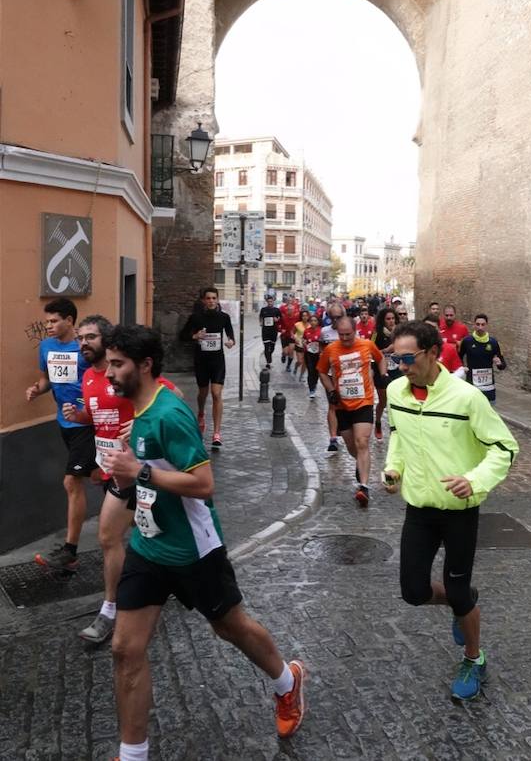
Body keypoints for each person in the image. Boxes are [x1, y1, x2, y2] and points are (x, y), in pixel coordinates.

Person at [102, 326, 305, 761]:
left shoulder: (169, 414)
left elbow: (203, 483)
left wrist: (138, 471)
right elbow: (147, 470)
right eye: (109, 362)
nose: (109, 372)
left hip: (194, 550)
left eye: (117, 364)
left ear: (144, 366)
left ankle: (286, 683)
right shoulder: (140, 411)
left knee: (229, 627)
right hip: (149, 547)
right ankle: (132, 754)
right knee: (124, 647)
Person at [382, 321, 518, 700]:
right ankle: (464, 599)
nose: (401, 366)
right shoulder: (396, 391)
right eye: (395, 359)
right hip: (419, 509)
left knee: (457, 592)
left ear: (432, 353)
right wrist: (394, 470)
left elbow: (505, 448)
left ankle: (474, 658)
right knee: (413, 591)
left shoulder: (466, 397)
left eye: (407, 358)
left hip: (459, 510)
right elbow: (398, 436)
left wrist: (474, 480)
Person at [62, 315, 181, 644]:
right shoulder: (88, 377)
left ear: (107, 339)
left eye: (91, 337)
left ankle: (111, 609)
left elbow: (170, 397)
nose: (84, 343)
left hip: (137, 467)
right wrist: (81, 416)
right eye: (80, 338)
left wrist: (141, 425)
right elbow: (98, 417)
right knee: (141, 529)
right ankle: (166, 577)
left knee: (108, 534)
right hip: (110, 466)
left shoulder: (125, 373)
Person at [26, 298, 96, 572]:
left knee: (72, 482)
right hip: (64, 423)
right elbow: (47, 379)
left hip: (86, 423)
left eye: (54, 321)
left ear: (69, 320)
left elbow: (99, 380)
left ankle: (70, 550)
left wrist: (85, 408)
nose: (49, 326)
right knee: (102, 477)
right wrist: (36, 389)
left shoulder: (84, 347)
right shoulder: (46, 346)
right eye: (46, 322)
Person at [318, 316, 386, 507]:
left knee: (362, 441)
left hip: (364, 402)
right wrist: (331, 390)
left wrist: (383, 374)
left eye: (348, 334)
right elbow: (322, 371)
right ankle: (360, 463)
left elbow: (380, 359)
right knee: (351, 447)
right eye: (341, 335)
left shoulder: (366, 345)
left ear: (355, 331)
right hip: (342, 405)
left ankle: (363, 487)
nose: (345, 338)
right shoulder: (331, 349)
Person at [180, 287, 235, 449]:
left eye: (214, 298)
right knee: (203, 393)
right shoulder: (196, 318)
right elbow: (182, 336)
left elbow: (230, 334)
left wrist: (231, 341)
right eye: (208, 298)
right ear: (203, 301)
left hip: (218, 361)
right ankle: (201, 413)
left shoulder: (224, 317)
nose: (211, 301)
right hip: (201, 360)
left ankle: (217, 433)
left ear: (217, 300)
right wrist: (195, 336)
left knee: (216, 393)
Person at [459, 314, 506, 403]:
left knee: (489, 412)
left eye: (483, 324)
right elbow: (458, 358)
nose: (480, 327)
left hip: (488, 387)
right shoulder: (467, 341)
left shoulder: (493, 343)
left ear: (486, 325)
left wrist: (499, 363)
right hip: (472, 385)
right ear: (474, 325)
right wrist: (462, 368)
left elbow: (503, 365)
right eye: (478, 324)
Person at [319, 302, 345, 454]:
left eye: (338, 317)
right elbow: (322, 350)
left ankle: (343, 428)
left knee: (347, 406)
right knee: (332, 405)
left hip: (347, 376)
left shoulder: (350, 330)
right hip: (330, 375)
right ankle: (333, 439)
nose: (335, 320)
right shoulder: (324, 331)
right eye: (332, 317)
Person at [372, 306, 400, 440]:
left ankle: (394, 427)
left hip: (397, 370)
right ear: (383, 321)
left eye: (393, 318)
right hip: (381, 370)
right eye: (388, 319)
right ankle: (377, 422)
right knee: (383, 401)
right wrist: (386, 350)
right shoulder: (377, 333)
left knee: (396, 400)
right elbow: (371, 350)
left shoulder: (400, 332)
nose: (391, 321)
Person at [302, 313, 322, 398]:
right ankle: (311, 389)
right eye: (311, 321)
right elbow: (304, 339)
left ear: (318, 322)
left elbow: (323, 342)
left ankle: (315, 384)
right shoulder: (307, 331)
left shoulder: (321, 330)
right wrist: (303, 343)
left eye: (315, 321)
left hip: (318, 354)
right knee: (310, 371)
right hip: (309, 353)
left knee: (316, 371)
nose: (313, 322)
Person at [259, 295, 281, 369]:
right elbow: (261, 317)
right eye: (268, 302)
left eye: (271, 301)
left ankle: (269, 355)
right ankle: (268, 362)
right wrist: (261, 322)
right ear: (267, 302)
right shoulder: (263, 309)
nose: (270, 303)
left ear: (273, 302)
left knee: (272, 347)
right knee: (266, 347)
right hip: (265, 331)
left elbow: (280, 318)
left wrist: (277, 319)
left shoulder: (276, 310)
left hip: (273, 331)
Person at [278, 296, 299, 370]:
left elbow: (300, 324)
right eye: (289, 309)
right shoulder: (283, 317)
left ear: (294, 310)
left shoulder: (296, 317)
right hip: (284, 336)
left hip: (292, 336)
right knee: (286, 352)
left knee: (291, 351)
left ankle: (288, 366)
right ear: (287, 310)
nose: (290, 311)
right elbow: (278, 325)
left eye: (292, 310)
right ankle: (283, 355)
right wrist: (281, 330)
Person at [292, 309, 311, 380]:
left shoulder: (310, 324)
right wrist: (295, 338)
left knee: (305, 362)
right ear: (301, 317)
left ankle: (301, 375)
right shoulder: (297, 324)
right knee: (300, 361)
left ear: (308, 316)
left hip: (307, 346)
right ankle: (296, 366)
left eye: (306, 316)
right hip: (299, 344)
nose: (305, 317)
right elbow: (292, 332)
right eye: (303, 316)